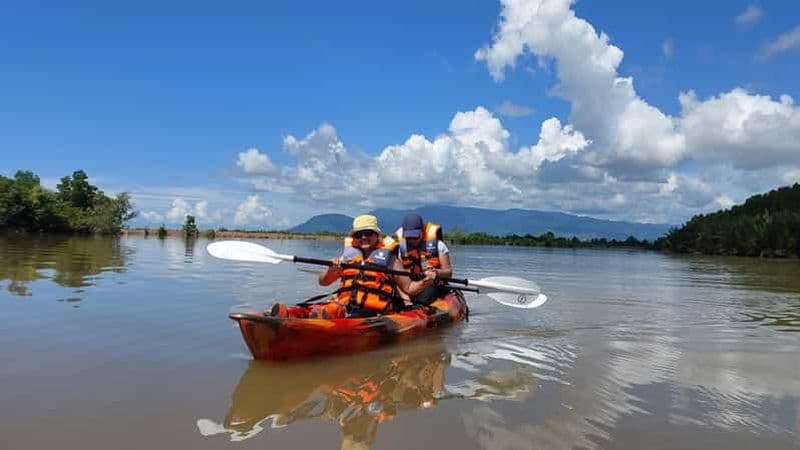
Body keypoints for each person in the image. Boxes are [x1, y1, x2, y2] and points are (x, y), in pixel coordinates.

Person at [271, 214, 402, 319]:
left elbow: (408, 287)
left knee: (335, 313)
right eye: (358, 234)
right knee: (329, 308)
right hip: (345, 306)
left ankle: (319, 321)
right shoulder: (347, 258)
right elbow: (323, 282)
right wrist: (331, 271)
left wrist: (421, 283)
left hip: (373, 311)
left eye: (368, 233)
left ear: (376, 235)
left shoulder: (390, 259)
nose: (363, 237)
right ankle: (287, 314)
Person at [391, 214, 453, 305]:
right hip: (409, 283)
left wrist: (436, 272)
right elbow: (398, 275)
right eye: (408, 237)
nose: (412, 240)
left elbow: (449, 272)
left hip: (431, 283)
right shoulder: (400, 248)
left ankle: (420, 307)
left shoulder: (439, 246)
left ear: (422, 232)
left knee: (423, 298)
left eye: (415, 237)